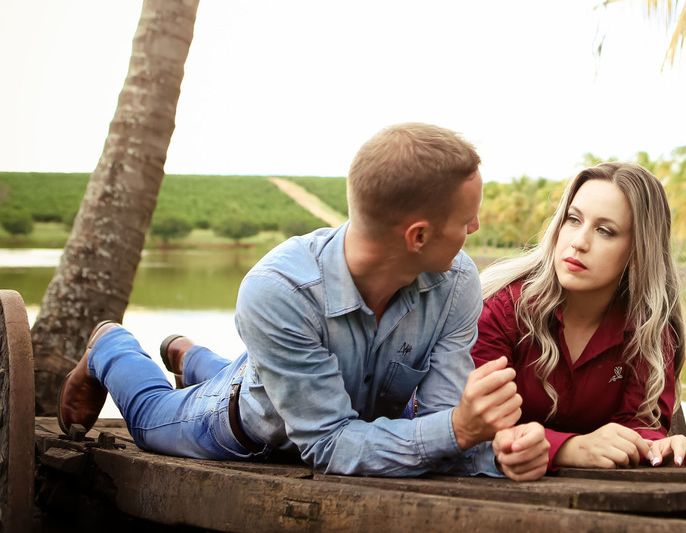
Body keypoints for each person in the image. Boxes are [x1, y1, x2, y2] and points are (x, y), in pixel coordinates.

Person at [57, 123, 550, 481]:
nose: (476, 230)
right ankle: (112, 348)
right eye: (467, 221)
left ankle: (192, 357)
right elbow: (329, 443)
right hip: (253, 428)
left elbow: (444, 416)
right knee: (147, 419)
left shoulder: (456, 278)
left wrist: (499, 451)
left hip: (324, 396)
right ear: (418, 235)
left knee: (270, 371)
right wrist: (460, 430)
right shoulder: (277, 291)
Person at [472, 161, 686, 470]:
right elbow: (471, 428)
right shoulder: (503, 309)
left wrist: (657, 445)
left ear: (638, 250)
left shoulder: (649, 330)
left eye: (605, 231)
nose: (578, 242)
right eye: (573, 219)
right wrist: (567, 449)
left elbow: (638, 423)